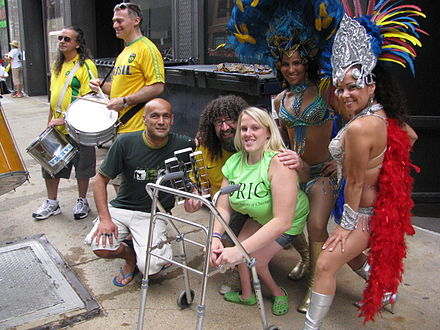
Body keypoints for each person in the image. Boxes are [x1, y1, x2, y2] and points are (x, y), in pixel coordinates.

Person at [304, 3, 425, 327]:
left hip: (363, 216)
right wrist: (384, 166)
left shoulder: (359, 127)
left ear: (371, 86)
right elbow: (409, 137)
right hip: (377, 209)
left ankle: (310, 326)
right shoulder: (381, 115)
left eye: (353, 87)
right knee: (351, 255)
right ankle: (385, 289)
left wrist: (346, 226)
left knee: (328, 262)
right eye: (340, 88)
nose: (344, 95)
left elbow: (355, 183)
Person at [226, 0, 343, 312]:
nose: (292, 69)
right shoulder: (279, 100)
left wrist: (340, 158)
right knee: (284, 219)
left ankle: (317, 286)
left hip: (321, 173)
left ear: (308, 60)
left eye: (297, 62)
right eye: (286, 63)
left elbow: (355, 121)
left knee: (317, 227)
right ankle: (305, 257)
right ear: (278, 64)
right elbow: (277, 140)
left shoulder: (327, 90)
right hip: (293, 171)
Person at [183, 95, 310, 285]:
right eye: (218, 122)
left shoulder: (275, 157)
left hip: (270, 209)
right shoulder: (209, 150)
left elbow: (284, 217)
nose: (225, 127)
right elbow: (214, 198)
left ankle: (301, 253)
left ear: (267, 132)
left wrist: (299, 164)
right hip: (241, 204)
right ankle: (241, 270)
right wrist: (213, 234)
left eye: (230, 121)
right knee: (229, 239)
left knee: (257, 250)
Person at [210, 107, 310, 316]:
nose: (248, 133)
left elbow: (282, 221)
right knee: (241, 249)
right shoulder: (234, 163)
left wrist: (239, 251)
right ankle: (247, 295)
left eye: (255, 127)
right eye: (244, 128)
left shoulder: (278, 162)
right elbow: (223, 207)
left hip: (288, 219)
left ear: (268, 132)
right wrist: (215, 236)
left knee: (255, 259)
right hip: (259, 216)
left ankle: (278, 292)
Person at [85, 98, 195, 287]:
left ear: (172, 120)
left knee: (151, 268)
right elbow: (99, 180)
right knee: (101, 247)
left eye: (165, 116)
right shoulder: (125, 142)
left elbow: (190, 177)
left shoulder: (184, 145)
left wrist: (194, 194)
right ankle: (131, 257)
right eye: (154, 116)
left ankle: (155, 248)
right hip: (121, 209)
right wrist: (105, 219)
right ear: (144, 119)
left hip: (153, 213)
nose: (161, 121)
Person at [90, 2, 165, 192]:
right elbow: (120, 89)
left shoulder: (147, 49)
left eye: (119, 20)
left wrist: (124, 101)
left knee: (137, 188)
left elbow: (157, 87)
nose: (115, 25)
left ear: (136, 20)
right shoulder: (125, 51)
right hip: (121, 130)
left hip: (138, 131)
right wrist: (102, 86)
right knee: (120, 185)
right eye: (114, 21)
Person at [32, 26, 97, 221]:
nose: (62, 41)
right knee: (50, 165)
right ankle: (52, 202)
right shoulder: (57, 65)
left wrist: (66, 119)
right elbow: (55, 97)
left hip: (80, 126)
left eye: (67, 39)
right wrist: (49, 122)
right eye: (60, 38)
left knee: (83, 165)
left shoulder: (86, 66)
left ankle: (82, 200)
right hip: (57, 125)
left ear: (77, 44)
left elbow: (90, 98)